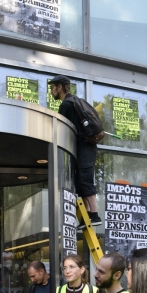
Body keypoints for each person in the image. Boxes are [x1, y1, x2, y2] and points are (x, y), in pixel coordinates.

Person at [48, 75, 102, 228]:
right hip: (85, 147)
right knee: (80, 182)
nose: (52, 90)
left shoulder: (66, 105)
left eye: (53, 87)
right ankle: (87, 218)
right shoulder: (75, 101)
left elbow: (62, 129)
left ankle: (95, 215)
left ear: (59, 87)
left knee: (85, 180)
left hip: (84, 147)